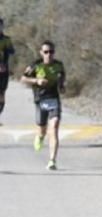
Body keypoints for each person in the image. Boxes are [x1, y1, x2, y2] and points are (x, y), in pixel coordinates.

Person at [20, 40, 65, 170]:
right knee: (42, 130)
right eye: (46, 52)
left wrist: (62, 86)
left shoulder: (59, 65)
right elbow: (23, 79)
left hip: (54, 99)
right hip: (40, 100)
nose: (49, 54)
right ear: (41, 53)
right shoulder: (35, 65)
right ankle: (39, 137)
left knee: (54, 128)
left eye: (51, 52)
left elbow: (62, 77)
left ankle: (52, 160)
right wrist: (36, 80)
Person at [0, 18, 15, 123]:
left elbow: (11, 51)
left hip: (3, 69)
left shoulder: (6, 39)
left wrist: (7, 50)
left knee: (2, 93)